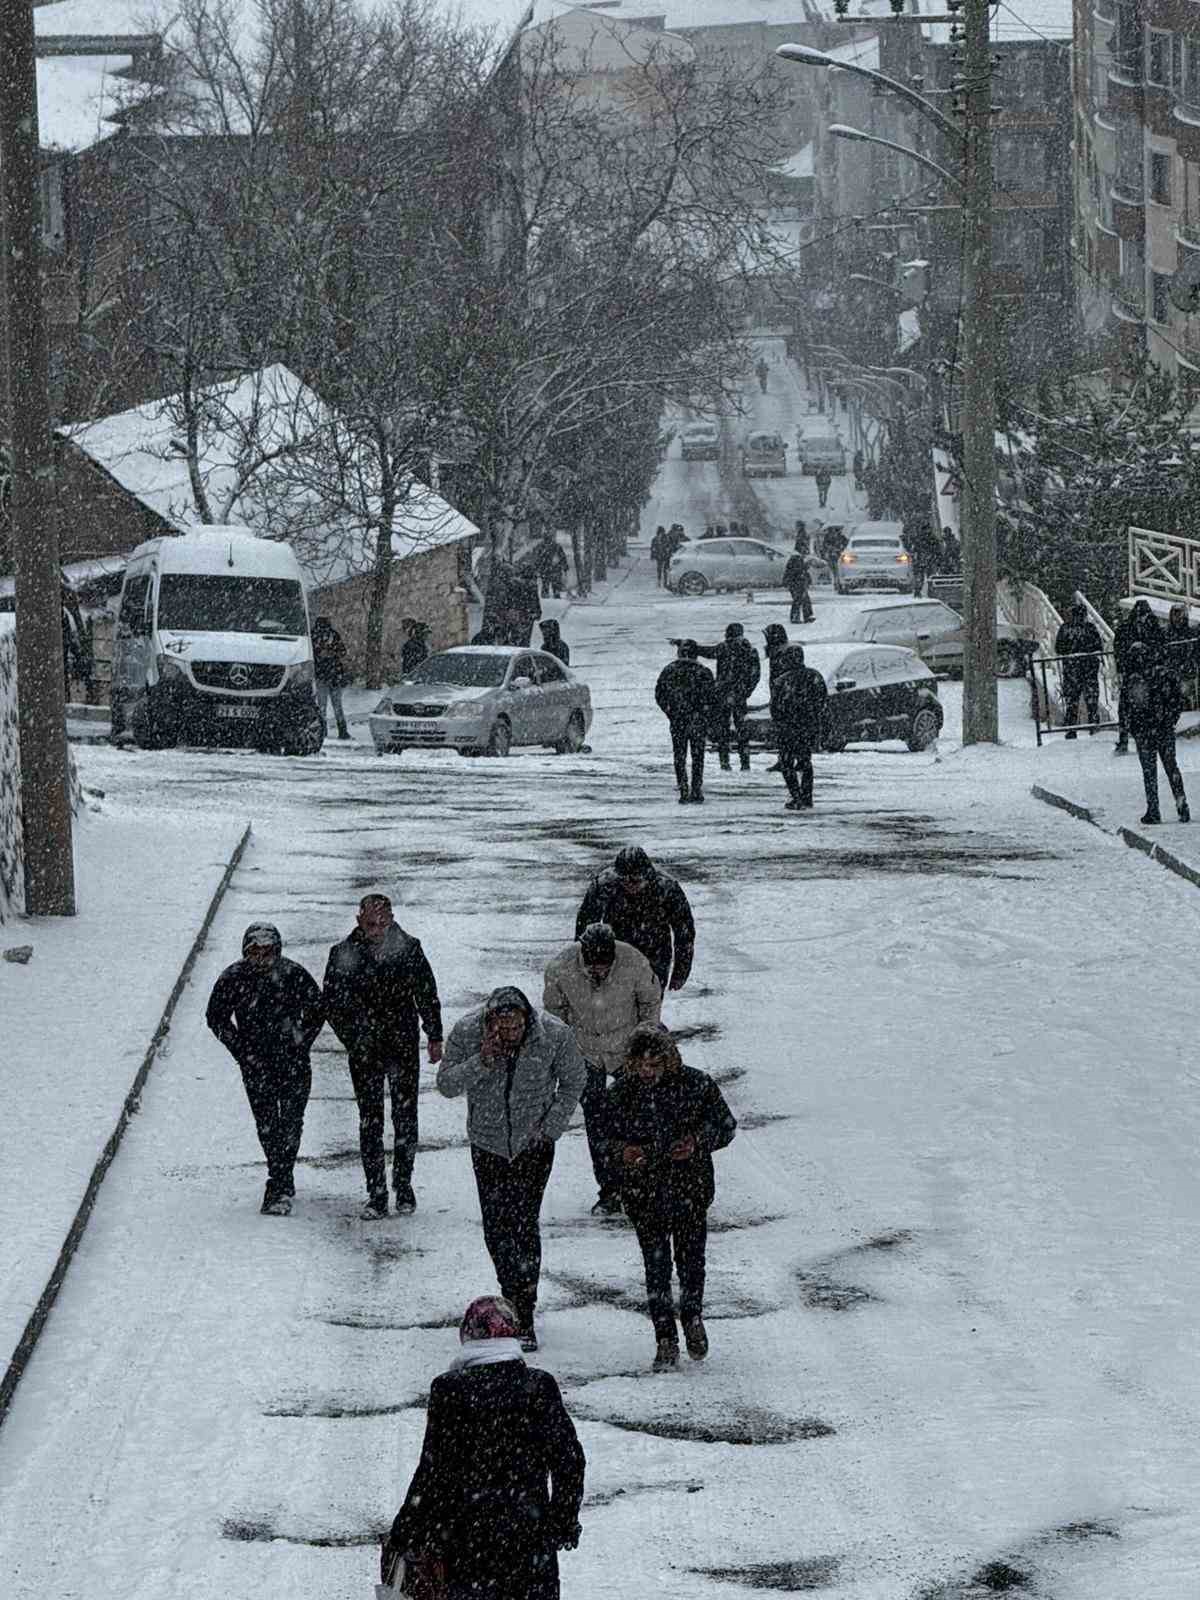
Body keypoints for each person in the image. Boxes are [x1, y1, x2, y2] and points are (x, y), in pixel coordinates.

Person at [380, 1295, 585, 1600]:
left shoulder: (450, 1389)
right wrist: (562, 1520)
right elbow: (569, 1460)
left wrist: (405, 1530)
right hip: (528, 1538)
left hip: (465, 1540)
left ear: (467, 1335)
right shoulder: (538, 1386)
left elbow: (433, 1470)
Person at [438, 988, 586, 1350]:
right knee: (496, 1226)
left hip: (532, 1146)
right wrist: (482, 1060)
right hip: (488, 1144)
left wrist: (550, 1127)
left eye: (515, 1027)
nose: (509, 1034)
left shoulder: (554, 1034)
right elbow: (446, 1084)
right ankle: (510, 1291)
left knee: (524, 1223)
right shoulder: (468, 1031)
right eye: (501, 1028)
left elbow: (574, 1082)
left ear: (527, 1021)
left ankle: (524, 1307)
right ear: (489, 1023)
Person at [598, 1025, 737, 1370]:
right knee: (656, 1268)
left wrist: (695, 1142)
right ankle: (665, 1337)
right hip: (644, 1194)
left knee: (691, 1262)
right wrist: (624, 1152)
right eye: (641, 1065)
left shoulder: (696, 1084)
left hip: (690, 1187)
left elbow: (726, 1126)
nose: (647, 1073)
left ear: (668, 1060)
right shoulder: (620, 1094)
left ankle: (692, 1317)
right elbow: (601, 1140)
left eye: (654, 1065)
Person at [323, 894, 444, 1219]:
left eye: (382, 923)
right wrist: (354, 1038)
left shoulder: (409, 948)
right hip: (365, 1050)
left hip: (401, 1043)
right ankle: (376, 1191)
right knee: (370, 1120)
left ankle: (403, 1184)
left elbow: (426, 991)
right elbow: (332, 1003)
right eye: (370, 924)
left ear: (391, 920)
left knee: (405, 1117)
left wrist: (434, 1034)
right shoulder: (342, 954)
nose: (376, 930)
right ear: (359, 921)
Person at [543, 922, 661, 1216]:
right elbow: (554, 1015)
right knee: (597, 1123)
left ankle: (642, 1183)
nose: (599, 972)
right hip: (585, 1051)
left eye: (605, 967)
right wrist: (564, 1053)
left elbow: (650, 1002)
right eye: (593, 967)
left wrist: (644, 1040)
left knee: (640, 1117)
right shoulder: (560, 968)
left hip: (627, 1048)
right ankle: (609, 1190)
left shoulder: (634, 961)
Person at [206, 923, 324, 1216]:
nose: (261, 958)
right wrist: (242, 1050)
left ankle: (280, 1179)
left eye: (267, 952)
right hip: (257, 1065)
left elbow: (318, 1009)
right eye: (254, 952)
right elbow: (216, 1017)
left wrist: (300, 1040)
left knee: (291, 1121)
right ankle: (280, 1177)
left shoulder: (293, 974)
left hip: (293, 1062)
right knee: (268, 1123)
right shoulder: (234, 978)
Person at [574, 845, 695, 993]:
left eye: (635, 880)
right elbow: (585, 924)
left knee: (650, 1002)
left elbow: (684, 933)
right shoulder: (605, 885)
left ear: (647, 876)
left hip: (655, 952)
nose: (630, 885)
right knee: (618, 1003)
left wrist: (681, 971)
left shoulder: (667, 888)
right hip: (617, 950)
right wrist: (581, 963)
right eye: (624, 880)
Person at [1126, 636, 1189, 825]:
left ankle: (1153, 810)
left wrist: (1131, 727)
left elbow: (1130, 706)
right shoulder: (1164, 674)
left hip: (1145, 731)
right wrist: (1170, 718)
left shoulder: (1135, 678)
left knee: (1149, 772)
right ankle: (1182, 805)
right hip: (1164, 729)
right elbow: (1178, 698)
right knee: (1171, 767)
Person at [654, 638, 718, 804]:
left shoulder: (669, 670)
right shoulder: (704, 672)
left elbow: (660, 695)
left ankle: (683, 789)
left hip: (678, 720)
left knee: (679, 756)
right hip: (698, 720)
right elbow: (712, 698)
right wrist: (705, 715)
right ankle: (696, 789)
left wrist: (670, 711)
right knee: (698, 756)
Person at [693, 623, 761, 772]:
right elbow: (755, 675)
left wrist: (693, 646)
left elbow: (708, 652)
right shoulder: (750, 650)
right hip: (739, 696)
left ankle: (725, 762)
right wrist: (746, 691)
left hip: (722, 695)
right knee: (741, 729)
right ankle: (745, 762)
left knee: (723, 729)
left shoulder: (724, 648)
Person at [770, 643, 827, 811]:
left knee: (787, 763)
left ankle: (796, 796)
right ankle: (807, 796)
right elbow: (822, 701)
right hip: (808, 726)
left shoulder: (782, 681)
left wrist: (780, 722)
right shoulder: (815, 676)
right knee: (805, 761)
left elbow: (775, 708)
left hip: (788, 727)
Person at [1054, 601, 1102, 738]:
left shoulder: (1065, 628)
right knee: (1092, 701)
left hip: (1071, 670)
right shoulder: (1091, 628)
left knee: (1071, 702)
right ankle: (1094, 727)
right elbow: (1098, 645)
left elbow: (1059, 648)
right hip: (1089, 670)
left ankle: (1071, 729)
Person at [311, 615, 351, 740]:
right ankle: (340, 730)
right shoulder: (332, 635)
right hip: (332, 674)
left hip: (326, 674)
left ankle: (325, 730)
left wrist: (327, 653)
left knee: (324, 705)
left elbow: (342, 651)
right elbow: (342, 652)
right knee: (335, 705)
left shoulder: (314, 635)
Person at [783, 549, 814, 625]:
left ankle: (804, 616)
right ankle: (798, 617)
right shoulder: (797, 559)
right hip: (795, 583)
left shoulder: (797, 559)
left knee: (803, 598)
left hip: (795, 582)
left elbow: (800, 572)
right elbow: (798, 572)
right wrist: (806, 567)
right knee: (799, 599)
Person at [535, 533, 569, 600]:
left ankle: (545, 597)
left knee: (545, 584)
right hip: (554, 569)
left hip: (545, 569)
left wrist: (537, 568)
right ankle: (555, 596)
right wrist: (565, 567)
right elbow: (562, 557)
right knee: (555, 584)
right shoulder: (556, 546)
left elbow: (538, 559)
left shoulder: (542, 547)